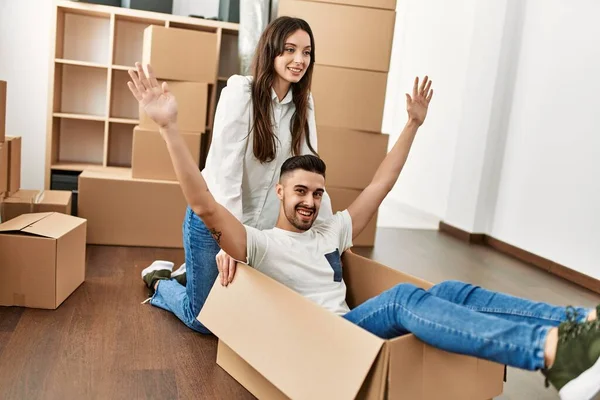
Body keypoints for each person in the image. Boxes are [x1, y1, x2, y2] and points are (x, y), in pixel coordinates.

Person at [129, 63, 600, 399]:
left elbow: (382, 181)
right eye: (300, 192)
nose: (310, 201)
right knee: (401, 299)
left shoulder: (331, 231)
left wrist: (412, 125)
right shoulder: (261, 245)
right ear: (278, 192)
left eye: (317, 192)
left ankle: (577, 325)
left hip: (351, 329)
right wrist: (170, 127)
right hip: (322, 344)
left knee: (453, 289)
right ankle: (552, 354)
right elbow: (205, 204)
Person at [128, 16, 334, 333]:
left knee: (250, 315)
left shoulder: (304, 105)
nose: (299, 60)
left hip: (258, 231)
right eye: (290, 49)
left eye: (307, 52)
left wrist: (328, 234)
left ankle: (192, 274)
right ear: (272, 51)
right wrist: (229, 245)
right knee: (204, 322)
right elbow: (226, 174)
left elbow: (309, 171)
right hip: (216, 222)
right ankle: (160, 280)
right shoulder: (241, 92)